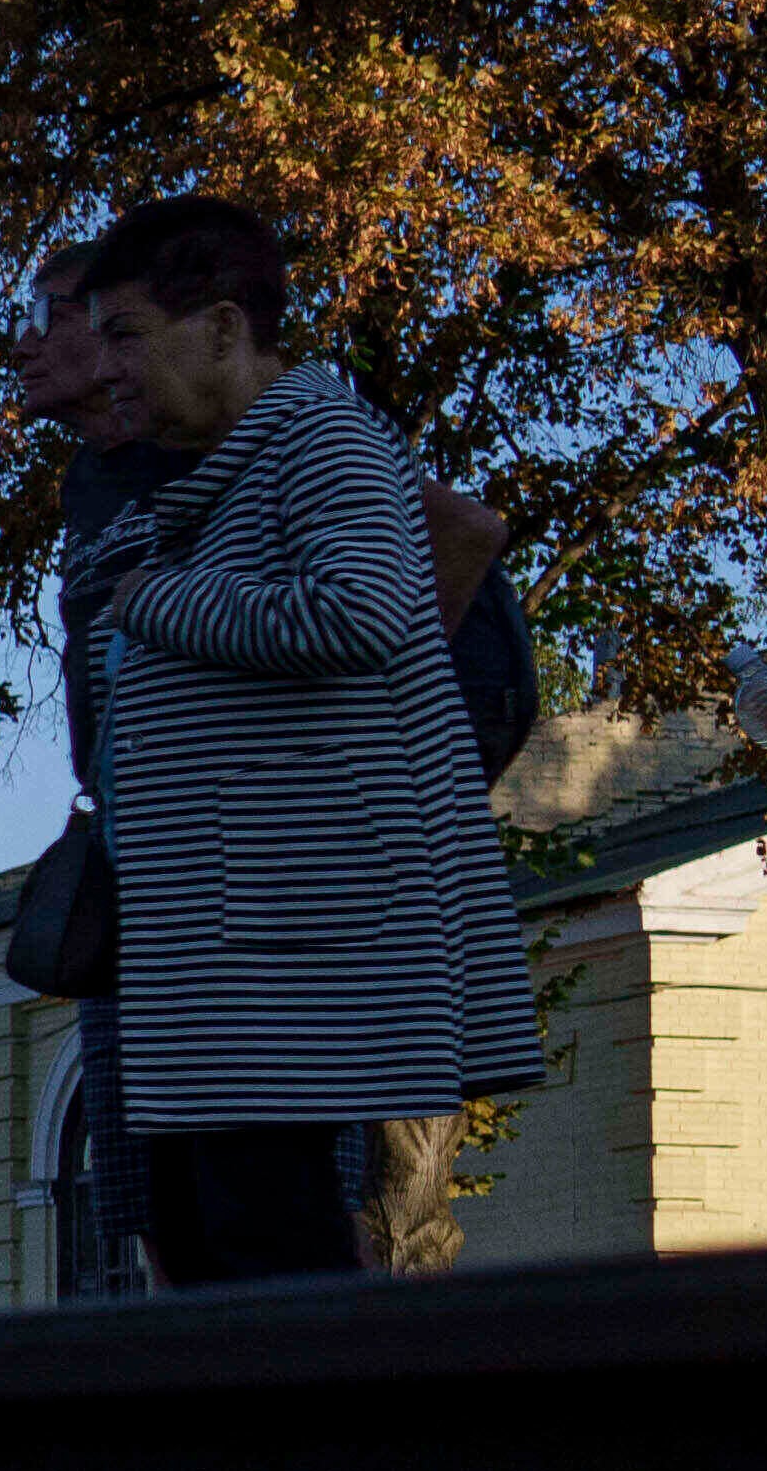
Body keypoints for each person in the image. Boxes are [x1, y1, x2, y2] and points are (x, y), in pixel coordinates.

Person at [59, 200, 547, 1286]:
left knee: (267, 1252)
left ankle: (330, 1454)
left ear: (226, 328)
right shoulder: (240, 463)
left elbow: (361, 613)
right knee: (209, 1244)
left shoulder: (320, 440)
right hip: (234, 954)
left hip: (282, 960)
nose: (108, 368)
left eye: (129, 333)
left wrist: (155, 601)